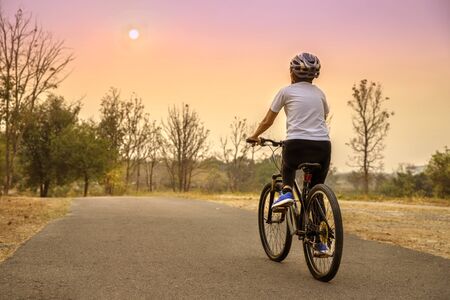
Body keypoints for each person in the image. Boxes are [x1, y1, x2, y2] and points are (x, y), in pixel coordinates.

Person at [247, 52, 331, 227]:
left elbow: (267, 121)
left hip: (296, 145)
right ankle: (321, 242)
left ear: (292, 72)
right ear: (315, 75)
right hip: (323, 147)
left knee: (288, 163)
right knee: (317, 191)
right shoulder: (320, 93)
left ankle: (286, 192)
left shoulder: (286, 91)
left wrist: (254, 136)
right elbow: (324, 115)